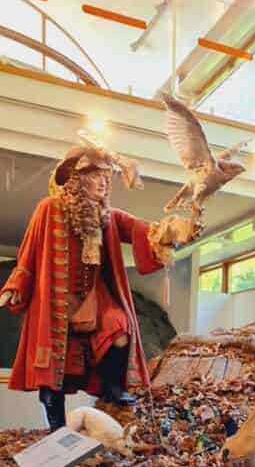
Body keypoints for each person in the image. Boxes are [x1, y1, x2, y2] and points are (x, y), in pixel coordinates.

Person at [0, 144, 194, 430]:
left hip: (94, 300)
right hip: (56, 304)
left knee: (120, 325)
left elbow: (145, 232)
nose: (105, 182)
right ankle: (57, 431)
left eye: (108, 176)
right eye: (96, 176)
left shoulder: (109, 216)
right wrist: (16, 284)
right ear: (77, 179)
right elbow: (28, 253)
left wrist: (173, 230)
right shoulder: (49, 208)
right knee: (53, 371)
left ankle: (112, 388)